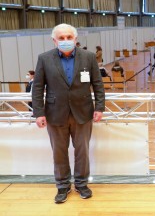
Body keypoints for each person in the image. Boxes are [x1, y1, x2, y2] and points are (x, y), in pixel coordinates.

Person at [32, 23, 105, 204]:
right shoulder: (44, 58)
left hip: (83, 112)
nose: (65, 41)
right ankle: (62, 186)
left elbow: (98, 84)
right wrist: (39, 112)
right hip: (55, 113)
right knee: (59, 152)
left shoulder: (88, 57)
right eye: (61, 38)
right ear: (54, 40)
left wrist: (99, 107)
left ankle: (81, 184)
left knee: (82, 151)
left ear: (75, 39)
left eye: (69, 37)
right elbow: (38, 87)